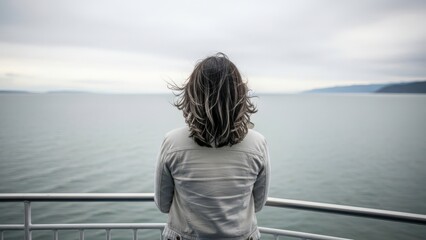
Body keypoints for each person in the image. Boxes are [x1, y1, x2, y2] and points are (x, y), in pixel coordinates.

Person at [154, 53, 270, 240]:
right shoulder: (257, 143)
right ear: (238, 95)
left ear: (192, 94)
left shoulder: (172, 142)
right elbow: (259, 203)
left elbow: (162, 204)